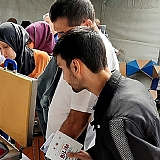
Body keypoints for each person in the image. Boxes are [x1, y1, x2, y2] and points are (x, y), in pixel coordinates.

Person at [54, 26, 160, 160]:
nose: (64, 78)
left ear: (76, 66)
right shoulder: (134, 86)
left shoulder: (117, 121)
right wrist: (95, 156)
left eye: (62, 68)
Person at [36, 0, 119, 151]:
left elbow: (79, 118)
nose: (59, 39)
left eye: (62, 33)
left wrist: (55, 152)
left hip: (70, 146)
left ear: (86, 25)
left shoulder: (91, 54)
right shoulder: (79, 48)